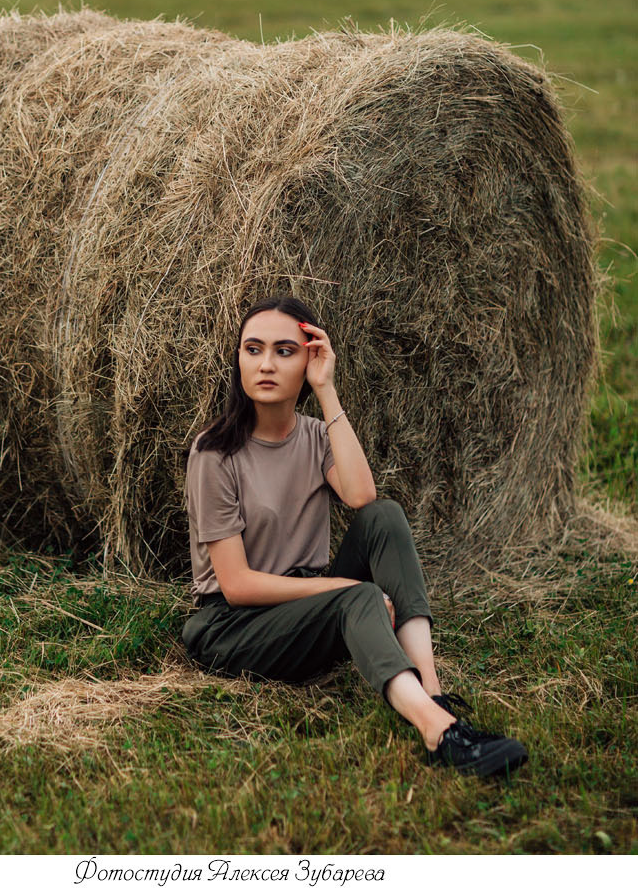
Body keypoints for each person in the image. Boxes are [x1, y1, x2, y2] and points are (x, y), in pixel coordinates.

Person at [182, 294, 528, 778]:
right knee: (359, 596)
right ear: (238, 358)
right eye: (253, 349)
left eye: (285, 351)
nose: (266, 364)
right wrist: (344, 588)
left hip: (302, 612)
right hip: (232, 627)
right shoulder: (215, 452)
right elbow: (237, 585)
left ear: (309, 360)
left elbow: (363, 496)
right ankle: (439, 733)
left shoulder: (315, 436)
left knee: (385, 517)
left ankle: (432, 694)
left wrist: (326, 391)